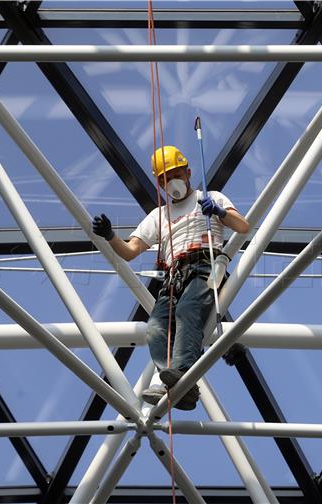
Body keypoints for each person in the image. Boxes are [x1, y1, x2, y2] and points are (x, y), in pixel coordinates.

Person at [92, 145, 250, 410]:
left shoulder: (210, 198)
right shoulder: (159, 216)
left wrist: (220, 213)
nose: (172, 182)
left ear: (188, 173)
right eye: (165, 178)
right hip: (173, 277)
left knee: (188, 311)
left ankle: (182, 374)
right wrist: (110, 236)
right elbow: (130, 251)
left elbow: (242, 227)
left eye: (176, 174)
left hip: (206, 267)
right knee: (155, 328)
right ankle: (172, 378)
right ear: (160, 184)